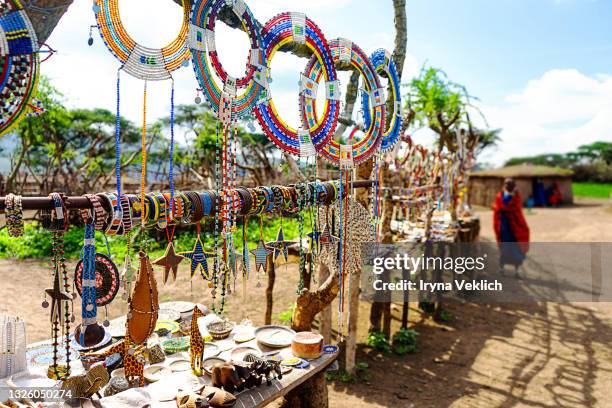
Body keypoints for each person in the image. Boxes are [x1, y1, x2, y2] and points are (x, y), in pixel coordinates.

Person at [493, 178, 530, 277]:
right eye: (506, 184)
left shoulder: (516, 197)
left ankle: (516, 271)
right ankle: (501, 269)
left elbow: (516, 210)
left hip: (515, 228)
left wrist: (508, 203)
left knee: (516, 249)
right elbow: (497, 208)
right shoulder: (500, 196)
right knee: (504, 248)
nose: (507, 186)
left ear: (514, 186)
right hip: (504, 226)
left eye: (510, 184)